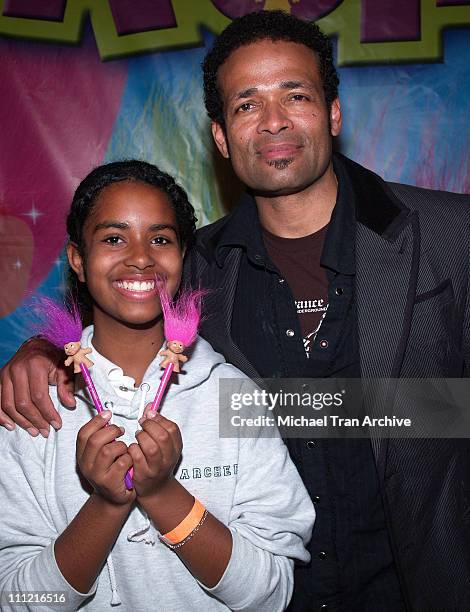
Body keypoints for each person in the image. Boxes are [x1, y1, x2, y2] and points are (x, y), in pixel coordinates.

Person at [1, 9, 469, 612]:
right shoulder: (190, 272)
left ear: (333, 112)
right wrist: (40, 351)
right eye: (246, 104)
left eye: (295, 94)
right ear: (220, 137)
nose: (273, 120)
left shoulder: (453, 235)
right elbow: (114, 303)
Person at [0, 160, 314, 611]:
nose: (141, 256)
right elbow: (17, 600)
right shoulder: (33, 407)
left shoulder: (234, 396)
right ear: (77, 260)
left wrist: (164, 495)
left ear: (183, 257)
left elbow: (269, 594)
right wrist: (106, 506)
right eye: (113, 238)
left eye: (161, 239)